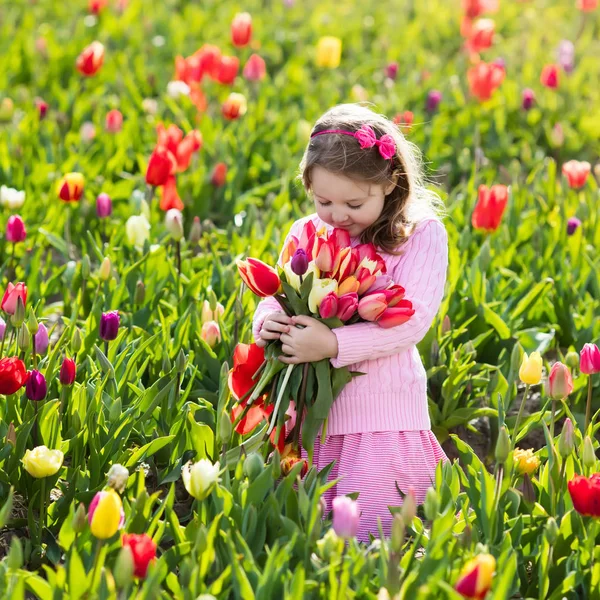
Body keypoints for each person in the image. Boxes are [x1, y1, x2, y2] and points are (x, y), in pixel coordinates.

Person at [252, 103, 448, 542]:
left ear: (390, 183)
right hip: (311, 415)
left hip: (380, 414)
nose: (338, 215)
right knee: (306, 532)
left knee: (372, 534)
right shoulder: (307, 232)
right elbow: (278, 293)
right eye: (324, 201)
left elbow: (409, 324)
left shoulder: (420, 236)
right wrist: (267, 322)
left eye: (354, 203)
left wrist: (333, 345)